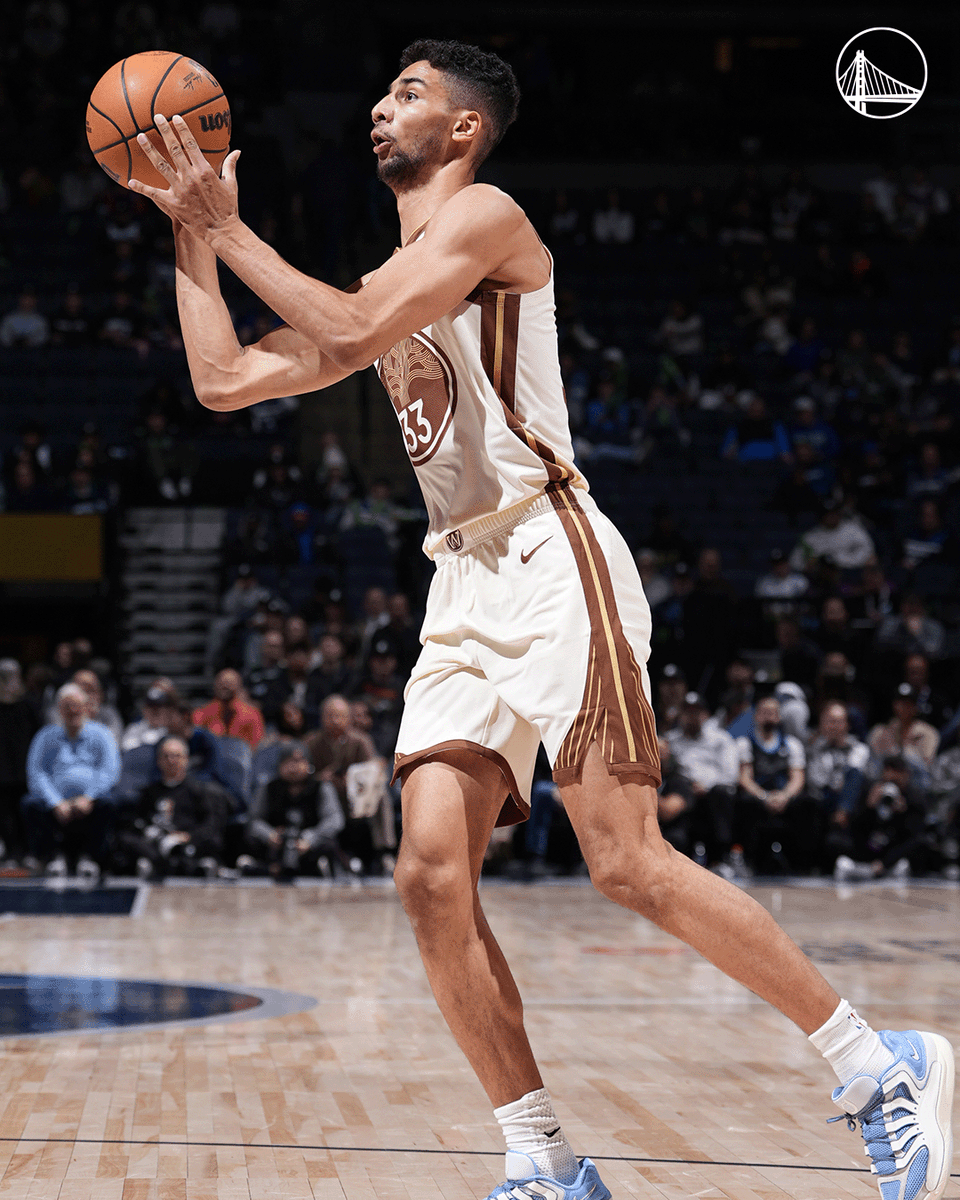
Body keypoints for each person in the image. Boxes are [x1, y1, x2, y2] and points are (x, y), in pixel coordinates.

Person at [131, 38, 955, 1200]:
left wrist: (227, 229)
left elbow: (355, 336)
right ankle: (547, 1159)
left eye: (409, 93)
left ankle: (879, 1065)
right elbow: (222, 380)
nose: (381, 108)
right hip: (461, 579)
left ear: (465, 127)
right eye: (383, 92)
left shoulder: (488, 220)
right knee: (429, 872)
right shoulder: (375, 284)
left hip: (551, 553)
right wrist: (185, 224)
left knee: (624, 858)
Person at [22, 683, 120, 879]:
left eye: (76, 705)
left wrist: (89, 797)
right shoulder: (45, 736)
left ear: (86, 707)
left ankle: (91, 857)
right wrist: (56, 802)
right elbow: (37, 773)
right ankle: (52, 857)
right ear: (59, 709)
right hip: (56, 805)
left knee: (110, 802)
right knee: (29, 803)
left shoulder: (102, 734)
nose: (72, 710)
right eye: (67, 706)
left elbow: (109, 771)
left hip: (91, 802)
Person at [118, 735, 229, 879]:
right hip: (156, 845)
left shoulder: (199, 791)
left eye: (176, 756)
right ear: (158, 761)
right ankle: (157, 863)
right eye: (166, 756)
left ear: (186, 759)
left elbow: (210, 824)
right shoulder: (149, 792)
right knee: (125, 839)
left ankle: (191, 866)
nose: (171, 760)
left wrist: (187, 837)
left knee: (206, 844)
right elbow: (139, 822)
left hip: (186, 843)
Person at [245, 743, 344, 880]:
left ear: (308, 764)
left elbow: (335, 820)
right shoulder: (268, 787)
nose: (293, 767)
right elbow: (254, 819)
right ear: (279, 766)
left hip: (309, 845)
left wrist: (310, 838)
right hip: (276, 845)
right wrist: (269, 835)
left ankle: (322, 868)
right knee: (249, 839)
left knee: (329, 844)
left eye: (298, 761)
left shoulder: (321, 787)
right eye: (288, 762)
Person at [192, 669, 264, 749]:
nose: (225, 687)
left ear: (239, 687)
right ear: (215, 685)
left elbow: (256, 744)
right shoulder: (203, 713)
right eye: (221, 684)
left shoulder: (252, 714)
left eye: (229, 684)